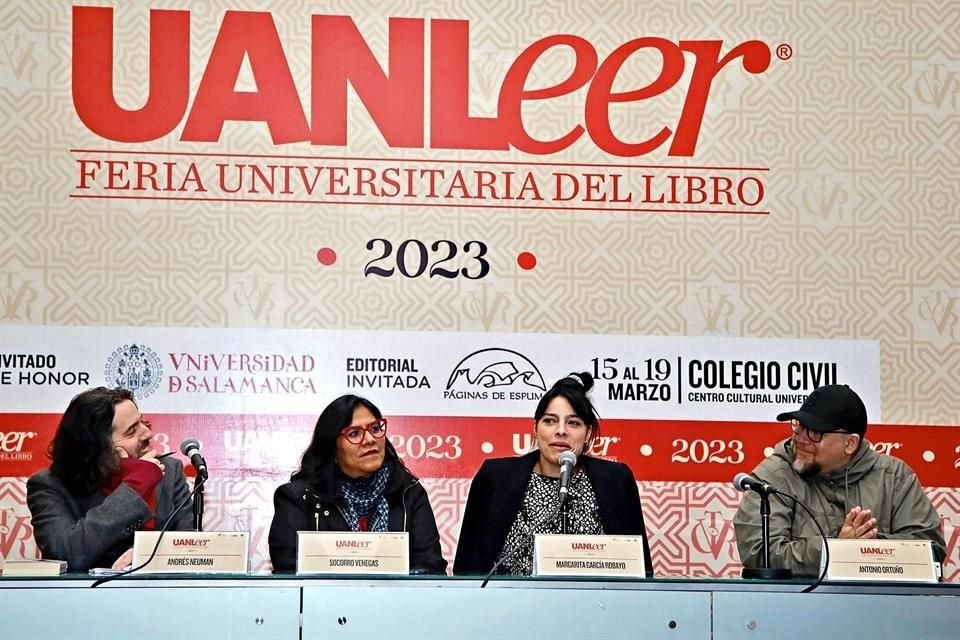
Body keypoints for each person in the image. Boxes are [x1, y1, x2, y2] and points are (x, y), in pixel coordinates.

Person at [734, 384, 946, 576]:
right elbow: (759, 553)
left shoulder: (894, 477)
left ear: (850, 444)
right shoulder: (773, 477)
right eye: (798, 425)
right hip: (799, 608)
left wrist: (864, 549)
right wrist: (835, 550)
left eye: (815, 432)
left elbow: (930, 549)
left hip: (881, 609)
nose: (800, 437)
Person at [453, 372, 653, 576]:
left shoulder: (617, 481)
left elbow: (640, 569)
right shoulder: (495, 478)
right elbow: (467, 565)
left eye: (573, 423)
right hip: (509, 603)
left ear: (588, 433)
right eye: (549, 421)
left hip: (598, 604)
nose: (561, 431)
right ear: (535, 428)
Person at [269, 394, 447, 574]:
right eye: (354, 433)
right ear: (332, 448)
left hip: (397, 601)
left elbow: (430, 569)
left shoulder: (409, 494)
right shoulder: (298, 499)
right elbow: (289, 573)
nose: (370, 439)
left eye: (375, 428)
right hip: (323, 601)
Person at [27, 387, 194, 571]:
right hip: (86, 596)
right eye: (131, 431)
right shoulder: (48, 486)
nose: (147, 433)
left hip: (163, 594)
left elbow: (190, 546)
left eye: (142, 422)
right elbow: (68, 555)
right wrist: (135, 487)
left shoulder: (169, 471)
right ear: (97, 447)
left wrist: (146, 553)